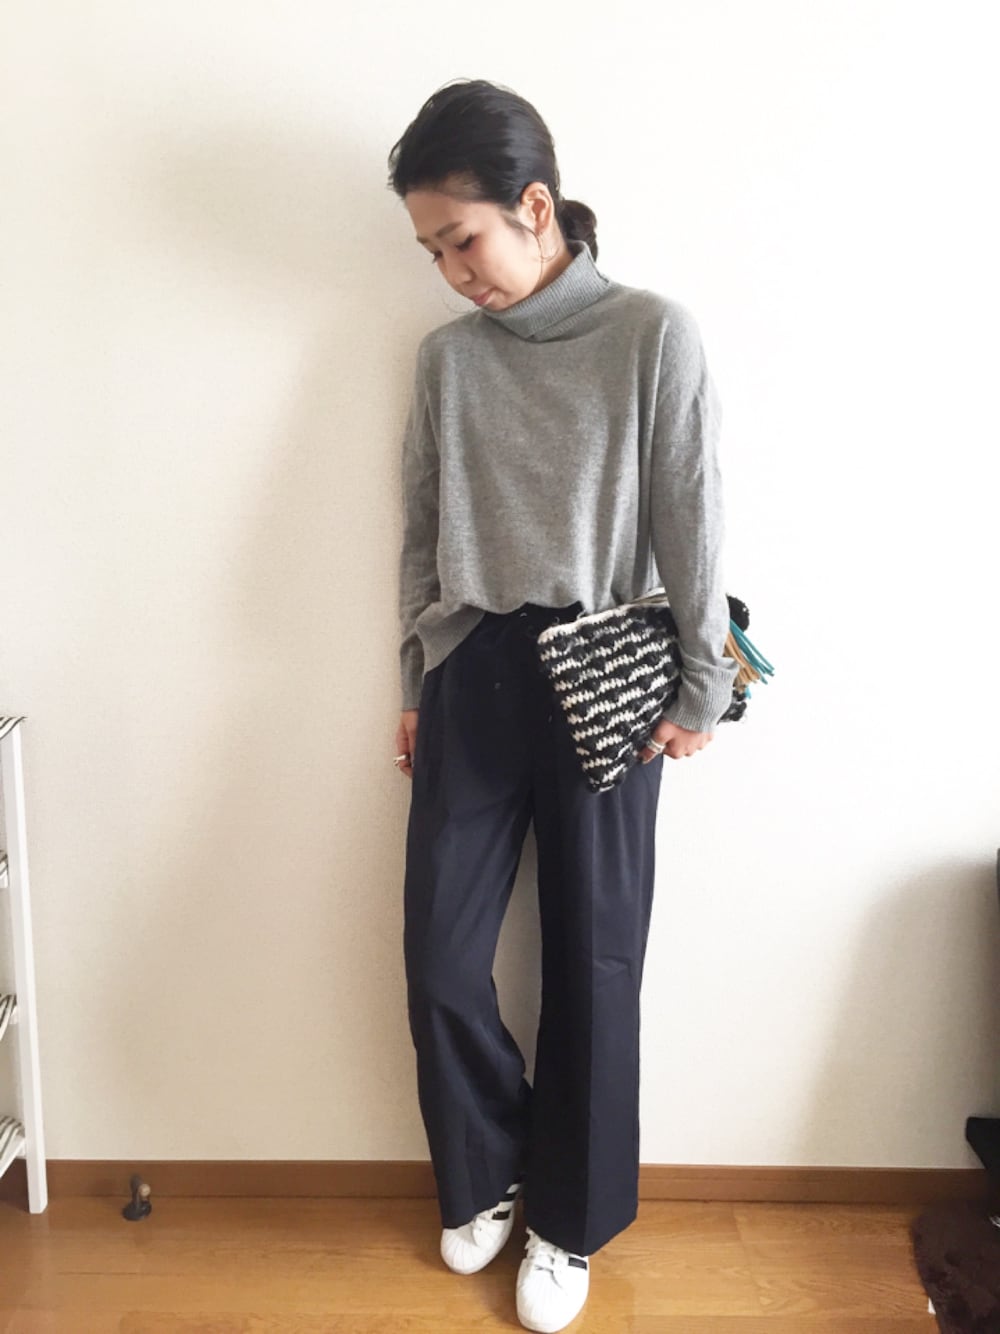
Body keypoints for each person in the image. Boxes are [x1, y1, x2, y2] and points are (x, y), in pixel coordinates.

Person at [386, 78, 739, 1334]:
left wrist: (702, 682)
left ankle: (569, 1218)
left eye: (462, 239)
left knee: (594, 961)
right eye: (431, 251)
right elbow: (421, 532)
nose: (452, 272)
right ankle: (487, 1168)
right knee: (440, 955)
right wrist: (416, 677)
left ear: (535, 206)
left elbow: (691, 518)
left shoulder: (651, 333)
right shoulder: (447, 362)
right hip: (473, 668)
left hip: (608, 670)